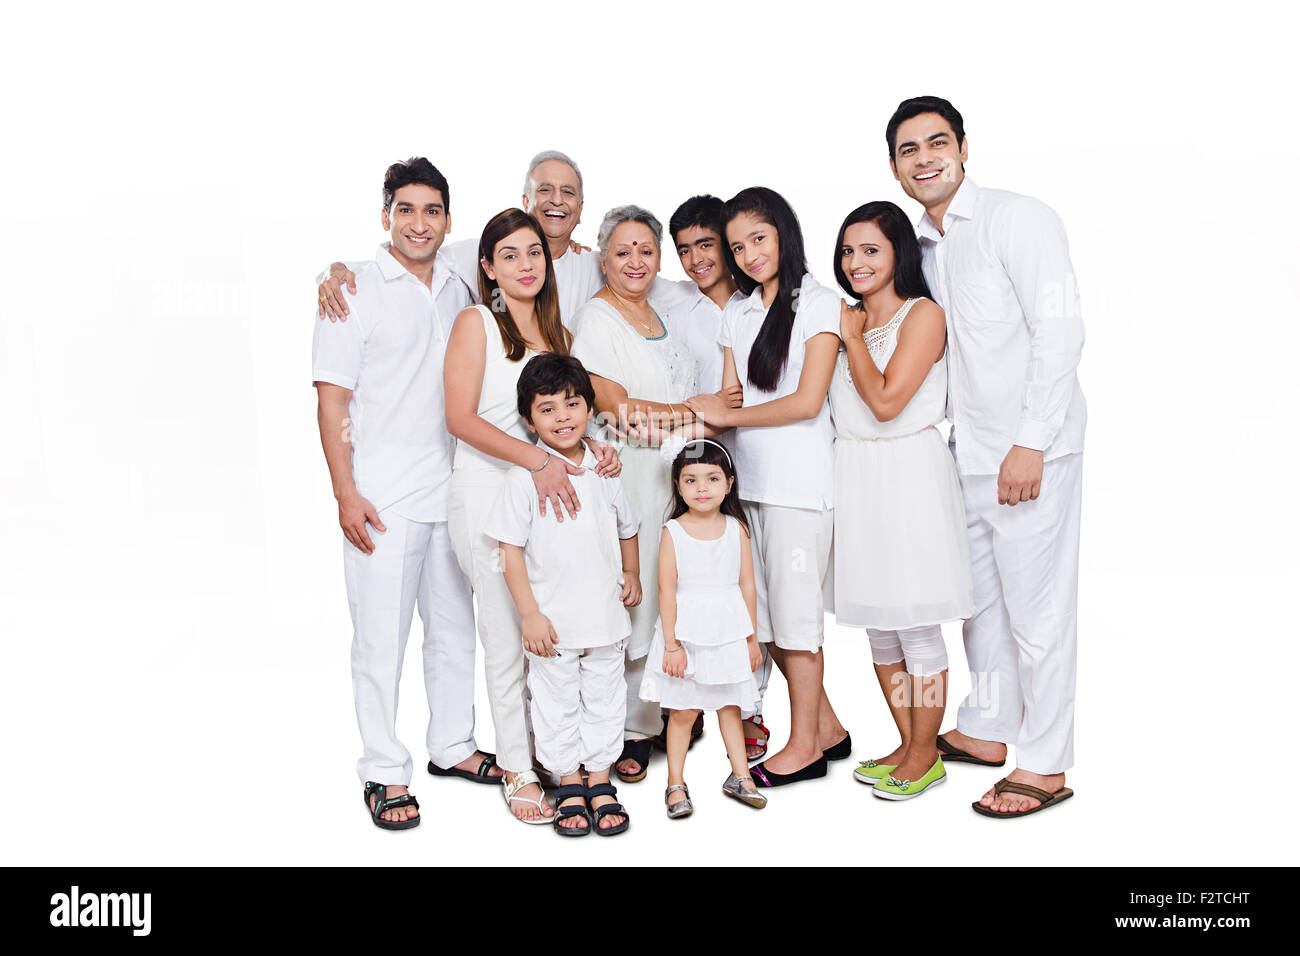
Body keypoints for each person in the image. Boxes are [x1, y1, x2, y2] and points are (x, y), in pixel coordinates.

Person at [887, 95, 1085, 816]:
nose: (926, 157)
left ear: (965, 148)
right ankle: (991, 728)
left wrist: (1029, 441)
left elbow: (1060, 331)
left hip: (1031, 452)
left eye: (938, 142)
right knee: (980, 608)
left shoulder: (1016, 219)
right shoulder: (923, 248)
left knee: (1039, 613)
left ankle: (1046, 764)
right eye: (910, 150)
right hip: (966, 455)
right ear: (895, 167)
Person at [310, 157, 496, 830]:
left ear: (448, 219)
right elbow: (333, 402)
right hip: (380, 498)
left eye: (433, 210)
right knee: (379, 640)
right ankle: (384, 771)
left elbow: (533, 249)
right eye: (406, 209)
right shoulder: (352, 289)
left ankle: (453, 745)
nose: (419, 223)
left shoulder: (458, 286)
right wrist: (344, 494)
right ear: (385, 215)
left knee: (454, 632)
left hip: (452, 491)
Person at [442, 207, 621, 825]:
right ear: (488, 267)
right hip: (489, 490)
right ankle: (519, 770)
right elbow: (461, 419)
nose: (525, 265)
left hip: (554, 499)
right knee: (508, 635)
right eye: (509, 255)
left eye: (534, 253)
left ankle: (557, 756)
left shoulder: (557, 334)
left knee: (556, 631)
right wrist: (537, 463)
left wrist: (590, 447)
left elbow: (569, 413)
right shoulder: (475, 324)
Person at [686, 186, 851, 787]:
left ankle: (802, 746)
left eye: (759, 238)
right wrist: (702, 413)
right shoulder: (739, 310)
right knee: (769, 623)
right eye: (738, 246)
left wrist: (724, 414)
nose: (750, 254)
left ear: (784, 232)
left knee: (799, 624)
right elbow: (729, 397)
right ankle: (826, 729)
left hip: (799, 491)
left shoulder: (820, 303)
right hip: (748, 485)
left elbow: (806, 403)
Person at [569, 204, 738, 783]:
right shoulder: (597, 320)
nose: (636, 261)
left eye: (646, 250)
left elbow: (650, 417)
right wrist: (700, 412)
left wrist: (677, 423)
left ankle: (668, 709)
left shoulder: (661, 311)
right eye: (623, 252)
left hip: (670, 479)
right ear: (603, 259)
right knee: (631, 593)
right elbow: (619, 412)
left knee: (673, 591)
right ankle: (627, 730)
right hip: (628, 480)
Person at [828, 200, 973, 800]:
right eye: (847, 251)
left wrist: (854, 340)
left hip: (908, 477)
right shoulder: (846, 320)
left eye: (870, 250)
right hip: (856, 477)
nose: (855, 262)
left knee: (915, 626)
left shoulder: (922, 315)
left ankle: (925, 750)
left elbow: (887, 403)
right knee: (878, 631)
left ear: (898, 254)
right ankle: (906, 737)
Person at [486, 352, 641, 836]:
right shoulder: (524, 478)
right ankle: (568, 782)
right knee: (554, 705)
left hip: (606, 617)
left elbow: (627, 526)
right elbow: (509, 551)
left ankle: (599, 780)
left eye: (571, 404)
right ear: (529, 421)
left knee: (605, 700)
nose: (562, 417)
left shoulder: (605, 467)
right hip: (552, 623)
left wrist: (632, 571)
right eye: (547, 409)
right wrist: (529, 614)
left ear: (590, 411)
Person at [318, 150, 604, 328]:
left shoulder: (594, 264)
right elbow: (409, 259)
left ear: (580, 209)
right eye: (544, 189)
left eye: (567, 192)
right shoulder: (483, 252)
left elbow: (642, 274)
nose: (556, 200)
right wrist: (336, 271)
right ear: (525, 200)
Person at [640, 439, 766, 817]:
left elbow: (747, 585)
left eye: (712, 479)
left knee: (730, 706)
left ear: (729, 483)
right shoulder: (673, 531)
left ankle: (740, 775)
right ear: (677, 486)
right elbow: (667, 589)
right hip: (688, 634)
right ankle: (675, 783)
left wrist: (752, 638)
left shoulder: (736, 528)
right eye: (691, 480)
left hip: (728, 631)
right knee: (683, 710)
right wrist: (672, 645)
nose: (702, 488)